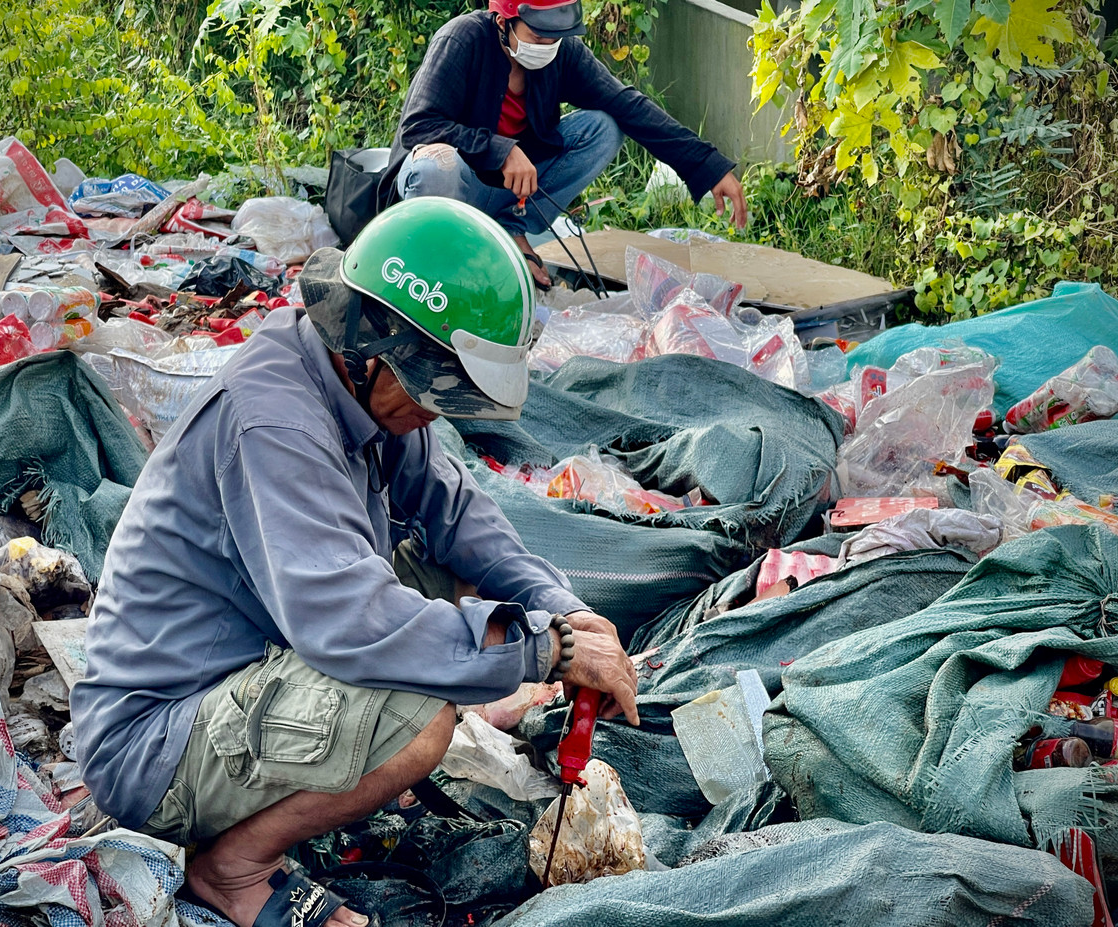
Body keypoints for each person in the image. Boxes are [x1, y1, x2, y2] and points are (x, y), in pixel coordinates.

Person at [71, 197, 640, 927]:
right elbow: (348, 621)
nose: (437, 416)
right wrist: (541, 650)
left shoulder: (353, 381)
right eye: (432, 394)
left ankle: (313, 774)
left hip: (253, 665)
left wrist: (566, 613)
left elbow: (458, 517)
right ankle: (234, 869)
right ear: (372, 349)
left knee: (467, 581)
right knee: (417, 717)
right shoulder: (273, 418)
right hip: (158, 741)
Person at [389, 0, 748, 289]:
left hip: (507, 192)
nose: (549, 44)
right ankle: (432, 267)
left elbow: (626, 104)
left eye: (556, 35)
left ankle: (511, 230)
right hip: (448, 192)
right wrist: (501, 149)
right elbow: (419, 127)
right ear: (503, 22)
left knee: (603, 127)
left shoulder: (563, 53)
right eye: (539, 35)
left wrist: (708, 166)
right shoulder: (462, 39)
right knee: (437, 164)